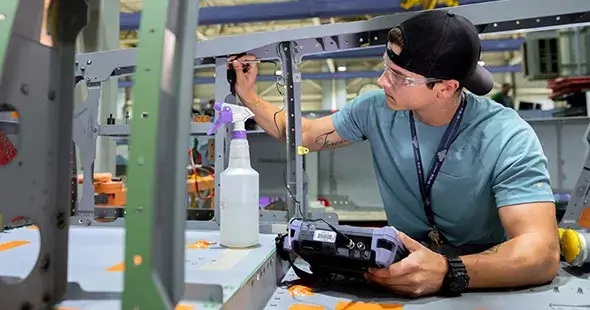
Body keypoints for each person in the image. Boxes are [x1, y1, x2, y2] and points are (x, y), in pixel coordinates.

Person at [229, 10, 560, 297]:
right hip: (399, 269)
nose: (382, 81)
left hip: (483, 276)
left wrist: (449, 271)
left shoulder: (506, 136)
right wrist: (249, 97)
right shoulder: (376, 110)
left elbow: (541, 253)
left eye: (399, 76)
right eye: (386, 67)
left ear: (446, 88)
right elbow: (305, 138)